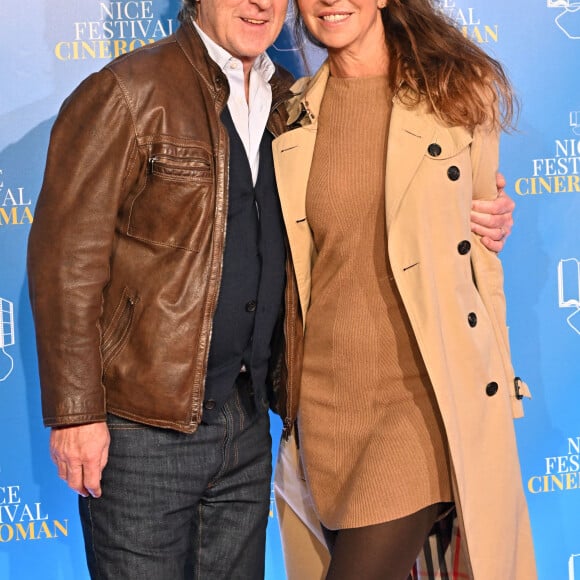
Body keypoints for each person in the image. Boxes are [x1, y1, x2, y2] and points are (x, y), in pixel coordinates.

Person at [27, 0, 515, 578]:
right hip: (144, 431)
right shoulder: (130, 90)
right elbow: (67, 261)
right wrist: (76, 414)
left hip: (250, 424)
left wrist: (478, 210)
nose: (259, 3)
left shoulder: (290, 98)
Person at [271, 0, 536, 579]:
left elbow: (482, 258)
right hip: (327, 406)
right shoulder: (288, 115)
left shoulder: (457, 94)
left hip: (421, 400)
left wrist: (499, 388)